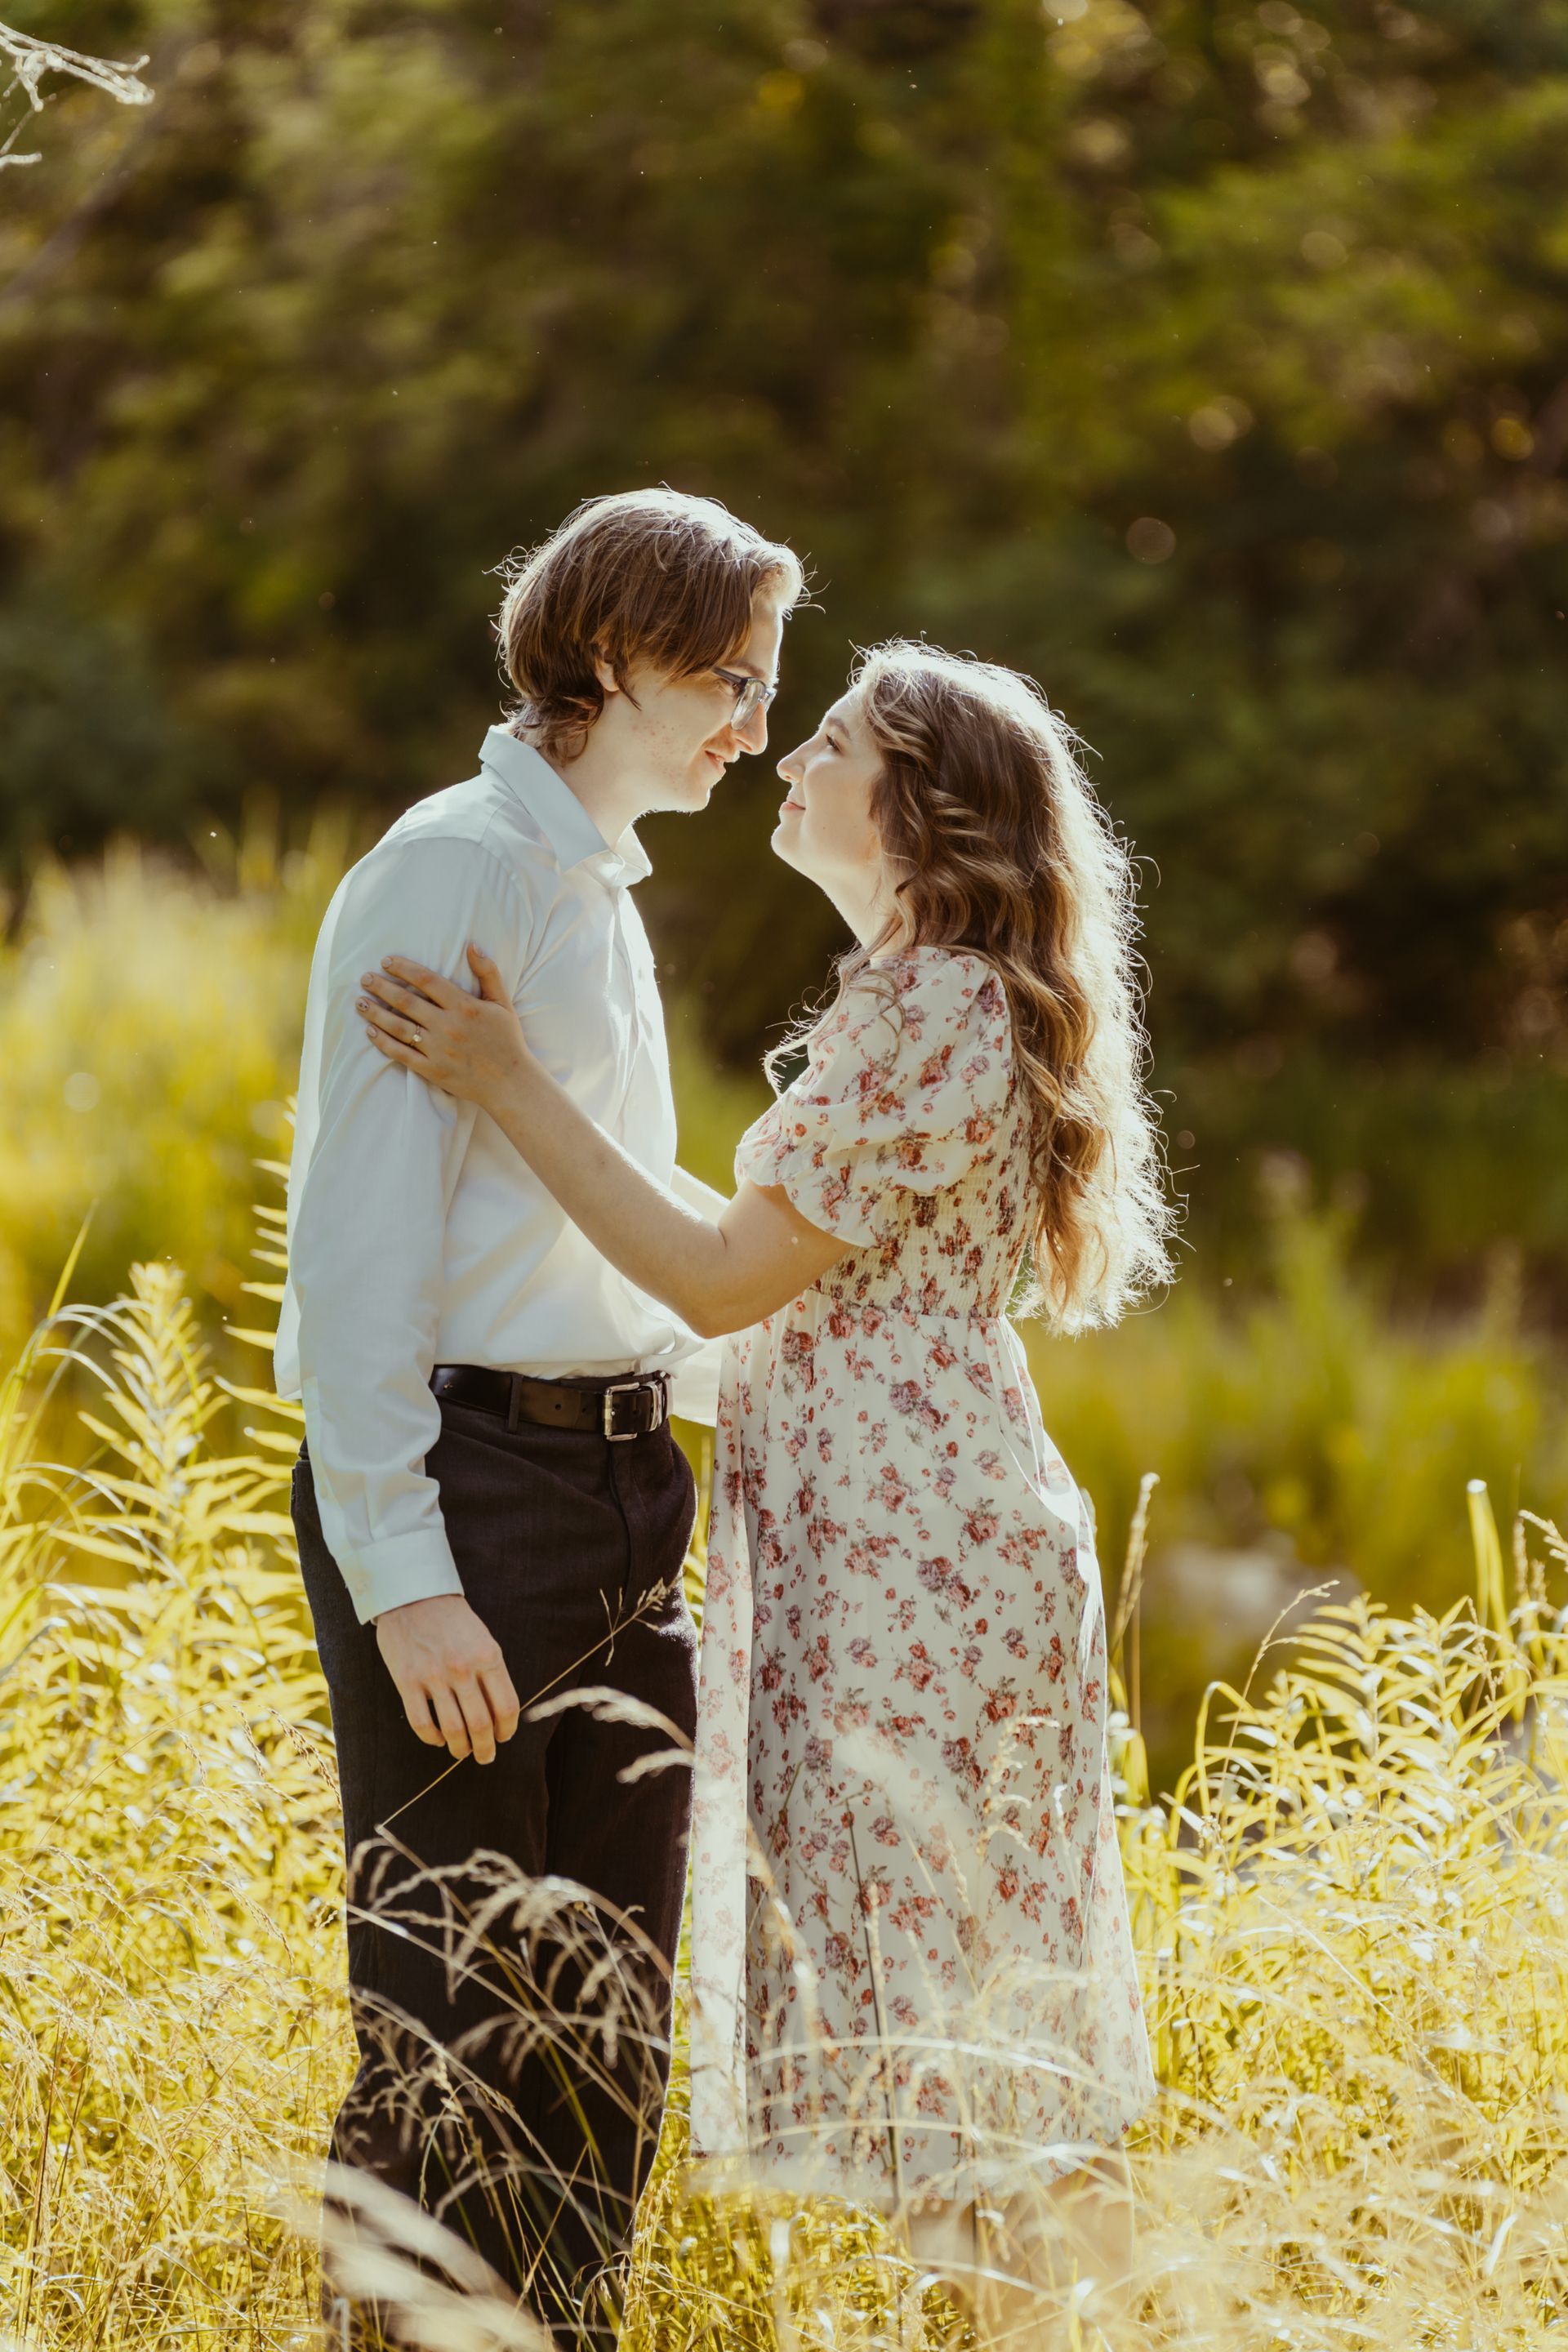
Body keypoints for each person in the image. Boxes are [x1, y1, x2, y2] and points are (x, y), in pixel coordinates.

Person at [357, 640, 1174, 2345]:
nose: (784, 761)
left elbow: (726, 1282)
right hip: (897, 1517)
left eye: (829, 743)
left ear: (922, 806)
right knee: (944, 2030)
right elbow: (766, 1286)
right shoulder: (922, 991)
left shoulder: (933, 1002)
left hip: (908, 1550)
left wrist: (507, 1085)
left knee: (947, 2041)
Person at [275, 487, 805, 2346]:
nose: (757, 723)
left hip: (617, 1502)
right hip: (472, 1499)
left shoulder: (590, 880)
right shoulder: (458, 871)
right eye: (732, 678)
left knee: (601, 2041)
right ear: (610, 657)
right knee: (449, 2047)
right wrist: (402, 1575)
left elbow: (590, 1244)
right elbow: (356, 1253)